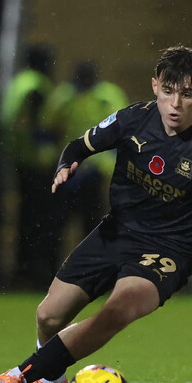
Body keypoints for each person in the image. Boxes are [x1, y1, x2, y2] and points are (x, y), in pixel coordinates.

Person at [0, 46, 192, 383]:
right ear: (155, 85)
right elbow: (78, 145)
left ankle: (16, 377)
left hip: (169, 250)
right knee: (48, 315)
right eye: (168, 91)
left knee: (117, 309)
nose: (176, 103)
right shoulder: (133, 119)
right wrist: (67, 164)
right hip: (118, 230)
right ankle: (51, 382)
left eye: (187, 94)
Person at [42, 60, 130, 251]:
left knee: (91, 224)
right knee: (58, 225)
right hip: (67, 171)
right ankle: (54, 272)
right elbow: (48, 128)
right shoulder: (64, 96)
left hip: (96, 172)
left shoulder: (108, 96)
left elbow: (125, 132)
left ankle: (89, 270)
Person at [0, 45, 59, 289]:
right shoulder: (37, 87)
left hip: (18, 159)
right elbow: (36, 126)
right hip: (36, 164)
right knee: (40, 220)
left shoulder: (19, 83)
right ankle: (36, 273)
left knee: (25, 217)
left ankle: (21, 271)